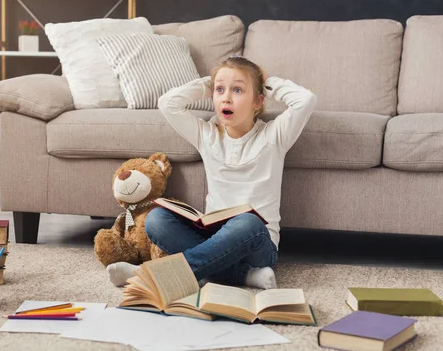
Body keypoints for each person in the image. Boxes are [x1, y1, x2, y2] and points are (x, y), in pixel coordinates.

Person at [106, 55, 317, 289]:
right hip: (212, 239)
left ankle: (149, 276)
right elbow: (168, 103)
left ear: (258, 102)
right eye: (219, 90)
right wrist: (208, 82)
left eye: (237, 90)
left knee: (247, 221)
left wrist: (268, 82)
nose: (226, 97)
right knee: (156, 219)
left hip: (257, 244)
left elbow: (305, 100)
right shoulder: (207, 135)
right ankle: (246, 276)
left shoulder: (274, 135)